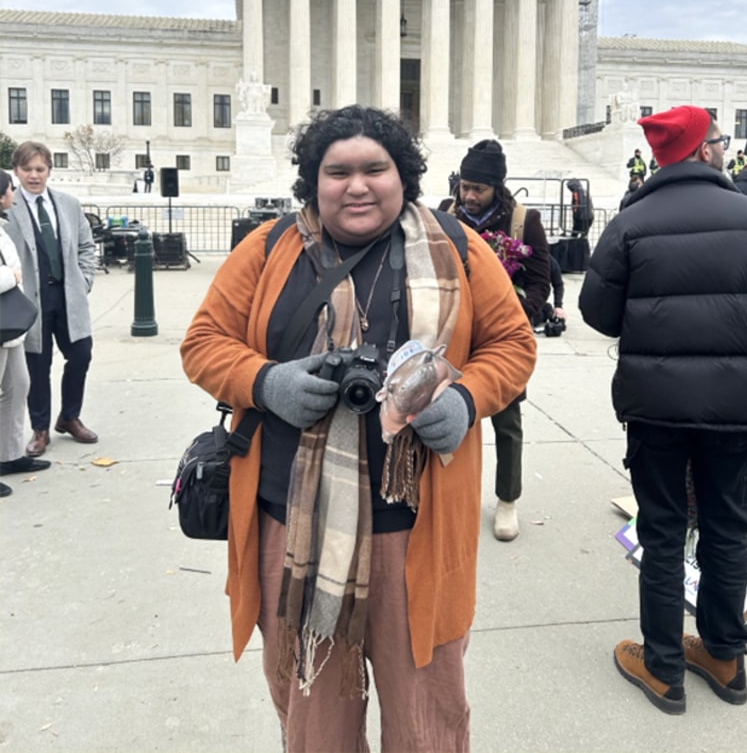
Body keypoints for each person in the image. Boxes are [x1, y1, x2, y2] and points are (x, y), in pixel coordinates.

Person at [180, 106, 536, 752]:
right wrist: (266, 383)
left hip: (416, 529)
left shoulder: (456, 247)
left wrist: (465, 399)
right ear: (311, 181)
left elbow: (512, 344)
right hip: (297, 527)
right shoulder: (268, 248)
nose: (357, 184)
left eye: (376, 168)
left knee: (425, 716)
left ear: (404, 174)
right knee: (315, 726)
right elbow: (203, 342)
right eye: (336, 171)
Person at [579, 105, 747, 716]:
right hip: (737, 406)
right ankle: (725, 657)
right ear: (704, 151)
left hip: (656, 408)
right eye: (719, 140)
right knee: (727, 529)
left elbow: (597, 313)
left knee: (662, 534)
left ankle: (663, 669)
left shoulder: (632, 222)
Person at [442, 140, 549, 541]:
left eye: (478, 189)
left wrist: (510, 318)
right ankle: (446, 497)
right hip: (449, 338)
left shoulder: (523, 222)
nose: (469, 196)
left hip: (499, 343)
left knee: (507, 423)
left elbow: (539, 283)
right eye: (465, 186)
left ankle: (507, 500)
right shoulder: (445, 214)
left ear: (497, 188)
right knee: (442, 418)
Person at [6, 142, 98, 457]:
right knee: (37, 365)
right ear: (16, 171)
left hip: (68, 294)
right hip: (30, 300)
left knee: (81, 355)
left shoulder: (69, 204)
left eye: (40, 169)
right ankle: (41, 428)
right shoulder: (8, 207)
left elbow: (87, 246)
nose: (34, 175)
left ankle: (69, 416)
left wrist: (84, 280)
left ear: (49, 171)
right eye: (27, 169)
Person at [0, 171, 52, 496]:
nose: (13, 194)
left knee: (19, 385)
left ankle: (9, 454)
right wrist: (12, 275)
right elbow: (11, 273)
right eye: (9, 189)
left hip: (10, 323)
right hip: (3, 319)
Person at [530, 254, 565, 333]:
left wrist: (558, 306)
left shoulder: (549, 260)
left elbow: (558, 284)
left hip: (537, 299)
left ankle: (546, 310)